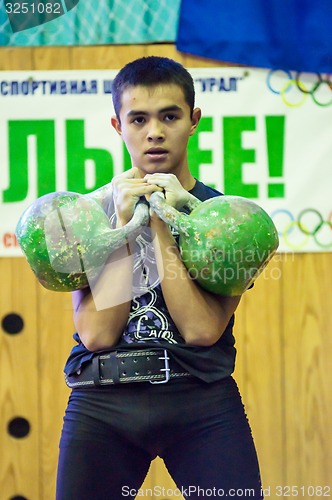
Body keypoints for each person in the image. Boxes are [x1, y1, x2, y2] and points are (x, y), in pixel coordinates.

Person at [56, 56, 263, 499]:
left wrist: (161, 223)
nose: (154, 131)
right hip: (102, 400)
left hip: (200, 398)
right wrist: (124, 227)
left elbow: (202, 329)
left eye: (169, 116)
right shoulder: (88, 216)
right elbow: (96, 335)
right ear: (118, 125)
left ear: (193, 119)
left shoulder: (227, 219)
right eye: (139, 118)